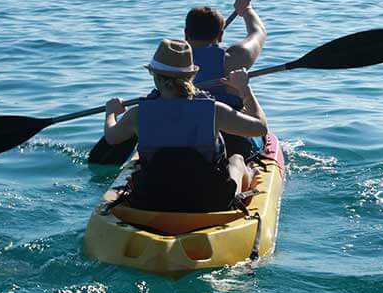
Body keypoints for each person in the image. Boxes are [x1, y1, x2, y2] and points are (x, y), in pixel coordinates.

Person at [104, 39, 268, 212]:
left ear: (155, 76)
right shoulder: (214, 111)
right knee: (237, 159)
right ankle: (247, 177)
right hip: (209, 201)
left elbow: (111, 137)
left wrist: (111, 113)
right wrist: (244, 89)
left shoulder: (137, 114)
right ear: (191, 76)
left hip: (151, 200)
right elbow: (260, 127)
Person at [184, 0, 266, 155]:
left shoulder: (170, 62)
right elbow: (258, 32)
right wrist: (247, 10)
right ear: (221, 36)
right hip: (233, 136)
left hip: (188, 133)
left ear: (186, 34)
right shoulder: (234, 58)